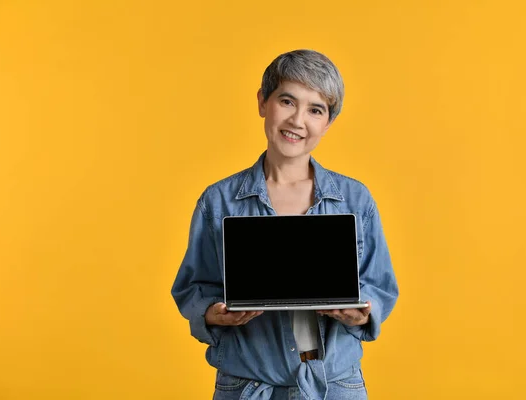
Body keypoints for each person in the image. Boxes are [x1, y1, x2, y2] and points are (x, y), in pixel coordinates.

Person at [171, 49, 399, 400]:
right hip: (246, 386)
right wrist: (214, 315)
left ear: (328, 122)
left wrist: (359, 314)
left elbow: (379, 286)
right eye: (287, 101)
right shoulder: (217, 201)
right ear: (263, 102)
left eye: (315, 110)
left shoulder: (356, 200)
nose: (298, 120)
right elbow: (192, 288)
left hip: (335, 387)